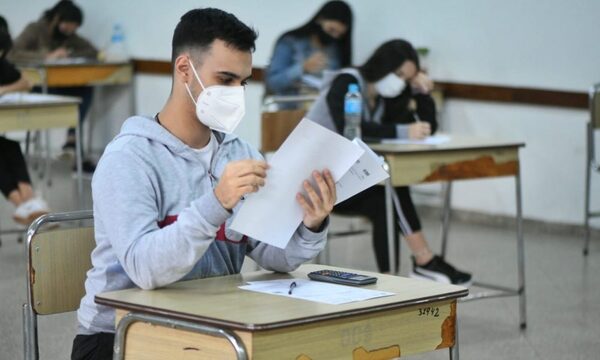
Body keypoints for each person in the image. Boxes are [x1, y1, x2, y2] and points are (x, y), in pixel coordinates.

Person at [71, 8, 336, 359]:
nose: (236, 93)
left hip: (213, 327)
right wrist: (217, 203)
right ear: (185, 69)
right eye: (225, 80)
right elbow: (145, 269)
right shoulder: (129, 157)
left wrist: (309, 223)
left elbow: (275, 256)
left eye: (242, 82)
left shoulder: (238, 152)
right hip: (123, 335)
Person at [306, 39, 472, 285]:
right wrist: (404, 132)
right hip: (316, 184)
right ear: (383, 65)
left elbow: (427, 128)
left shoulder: (384, 98)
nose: (399, 83)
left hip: (347, 182)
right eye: (398, 74)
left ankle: (391, 279)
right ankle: (424, 261)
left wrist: (420, 91)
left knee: (384, 197)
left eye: (406, 78)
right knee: (389, 188)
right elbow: (351, 130)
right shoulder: (348, 82)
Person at [10, 0, 97, 170]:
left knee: (85, 88)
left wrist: (69, 53)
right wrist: (46, 56)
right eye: (67, 25)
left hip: (58, 83)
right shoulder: (35, 29)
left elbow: (91, 51)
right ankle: (72, 146)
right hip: (34, 85)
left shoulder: (69, 37)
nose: (70, 31)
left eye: (74, 28)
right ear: (57, 19)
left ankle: (72, 140)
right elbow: (13, 53)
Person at [0, 16, 50, 225]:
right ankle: (25, 204)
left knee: (11, 147)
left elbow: (24, 81)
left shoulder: (3, 64)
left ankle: (27, 201)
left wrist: (8, 88)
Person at [265, 0, 352, 106]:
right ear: (320, 19)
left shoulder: (336, 50)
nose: (334, 37)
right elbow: (273, 83)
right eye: (331, 30)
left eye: (339, 34)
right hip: (289, 112)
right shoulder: (290, 42)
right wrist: (303, 68)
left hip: (322, 112)